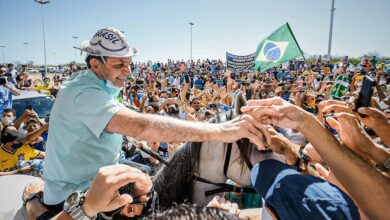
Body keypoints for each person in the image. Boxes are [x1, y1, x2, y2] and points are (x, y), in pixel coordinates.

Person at [42, 27, 274, 218]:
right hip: (76, 191)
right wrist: (222, 130)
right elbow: (141, 127)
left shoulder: (101, 84)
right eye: (119, 65)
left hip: (102, 175)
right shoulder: (84, 93)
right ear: (95, 64)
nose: (128, 71)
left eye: (129, 63)